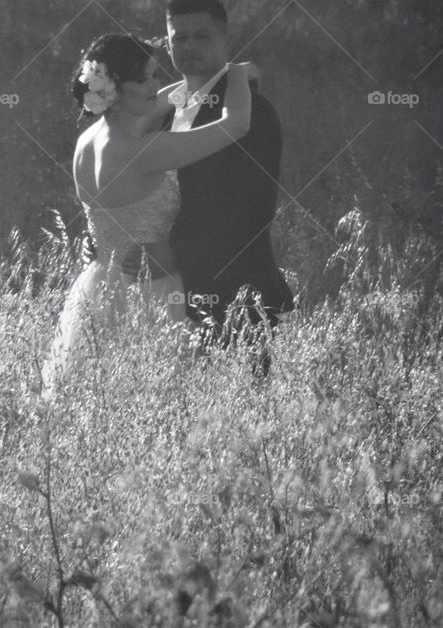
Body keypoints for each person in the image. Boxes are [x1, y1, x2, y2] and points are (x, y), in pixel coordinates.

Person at [41, 32, 258, 401]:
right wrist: (235, 76)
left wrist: (210, 78)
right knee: (163, 398)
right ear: (116, 90)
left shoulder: (86, 143)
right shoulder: (144, 151)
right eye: (146, 79)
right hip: (151, 292)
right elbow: (236, 124)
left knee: (103, 398)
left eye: (157, 76)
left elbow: (165, 101)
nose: (156, 87)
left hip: (100, 288)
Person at [162, 0, 294, 372]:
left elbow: (254, 209)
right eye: (179, 37)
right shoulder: (166, 111)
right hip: (168, 292)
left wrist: (177, 257)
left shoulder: (253, 110)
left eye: (201, 36)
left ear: (225, 40)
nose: (189, 46)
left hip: (237, 293)